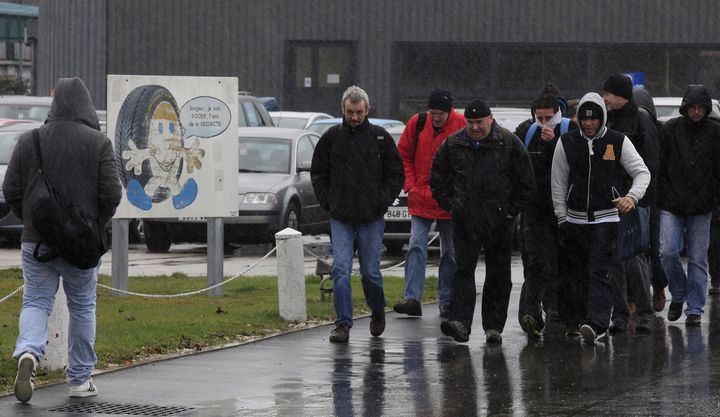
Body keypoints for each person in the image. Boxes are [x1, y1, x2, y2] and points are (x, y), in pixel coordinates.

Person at [3, 78, 122, 403]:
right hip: (81, 245)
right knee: (82, 306)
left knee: (35, 301)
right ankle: (80, 380)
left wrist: (34, 218)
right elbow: (112, 193)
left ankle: (28, 351)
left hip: (36, 242)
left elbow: (10, 189)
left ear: (55, 106)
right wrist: (93, 224)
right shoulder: (98, 143)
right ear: (86, 105)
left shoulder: (30, 140)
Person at [430, 100, 535, 344]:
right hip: (466, 220)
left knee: (498, 274)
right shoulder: (454, 143)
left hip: (499, 221)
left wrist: (511, 210)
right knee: (463, 271)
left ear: (490, 119)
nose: (475, 127)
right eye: (471, 122)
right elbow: (437, 178)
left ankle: (494, 326)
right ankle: (460, 322)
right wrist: (451, 204)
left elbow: (526, 182)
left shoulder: (508, 143)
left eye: (479, 122)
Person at [551, 92, 650, 346]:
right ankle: (576, 321)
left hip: (607, 220)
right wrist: (561, 216)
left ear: (602, 118)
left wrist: (631, 197)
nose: (589, 124)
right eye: (584, 119)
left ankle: (597, 324)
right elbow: (558, 182)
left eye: (594, 119)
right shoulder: (567, 142)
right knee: (576, 274)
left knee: (600, 272)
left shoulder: (618, 141)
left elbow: (642, 173)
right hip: (575, 221)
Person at [311, 85, 404, 343]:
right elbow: (318, 172)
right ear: (343, 109)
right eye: (350, 112)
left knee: (370, 273)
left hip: (371, 217)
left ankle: (377, 308)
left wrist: (381, 202)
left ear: (367, 110)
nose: (354, 117)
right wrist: (328, 201)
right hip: (340, 215)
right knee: (340, 269)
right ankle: (343, 324)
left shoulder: (380, 138)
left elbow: (396, 174)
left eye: (359, 112)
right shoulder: (331, 138)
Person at [393, 89, 465, 318]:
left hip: (448, 200)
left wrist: (458, 192)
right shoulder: (417, 122)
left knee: (450, 252)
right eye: (432, 112)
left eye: (440, 114)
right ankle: (412, 299)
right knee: (415, 246)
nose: (436, 117)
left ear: (449, 112)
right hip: (421, 197)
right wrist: (411, 184)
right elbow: (403, 154)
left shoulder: (462, 124)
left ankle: (447, 300)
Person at [514, 85, 578, 339]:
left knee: (564, 262)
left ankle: (560, 310)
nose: (542, 123)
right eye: (538, 118)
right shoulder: (526, 132)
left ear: (557, 113)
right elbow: (519, 166)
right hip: (535, 209)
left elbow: (573, 166)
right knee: (536, 262)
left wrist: (554, 145)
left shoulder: (570, 131)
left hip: (564, 208)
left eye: (547, 118)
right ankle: (531, 313)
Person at [657, 84, 720, 326]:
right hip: (672, 201)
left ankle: (694, 308)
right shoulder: (671, 129)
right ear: (685, 108)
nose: (696, 112)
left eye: (700, 108)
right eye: (692, 107)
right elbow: (660, 165)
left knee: (697, 258)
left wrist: (714, 198)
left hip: (702, 205)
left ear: (705, 109)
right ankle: (679, 292)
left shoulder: (715, 132)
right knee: (668, 252)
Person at [602, 73, 659, 334]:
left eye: (608, 94)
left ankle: (645, 313)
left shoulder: (641, 121)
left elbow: (650, 163)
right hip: (612, 200)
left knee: (635, 256)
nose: (605, 99)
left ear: (620, 96)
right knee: (615, 259)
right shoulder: (608, 120)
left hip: (636, 201)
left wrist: (639, 197)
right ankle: (620, 314)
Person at [632, 87, 669, 312]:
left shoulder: (661, 131)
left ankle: (658, 287)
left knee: (655, 247)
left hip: (656, 196)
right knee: (636, 247)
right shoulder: (629, 128)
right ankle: (638, 293)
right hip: (636, 194)